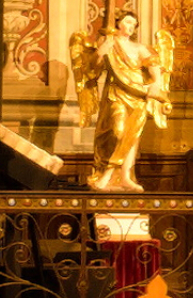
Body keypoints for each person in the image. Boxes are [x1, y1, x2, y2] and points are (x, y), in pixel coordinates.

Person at [70, 11, 173, 192]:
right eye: (127, 22)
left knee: (131, 136)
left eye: (134, 23)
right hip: (116, 94)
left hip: (138, 97)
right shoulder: (109, 43)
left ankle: (125, 177)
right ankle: (107, 174)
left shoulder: (140, 48)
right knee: (118, 131)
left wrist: (156, 84)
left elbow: (155, 69)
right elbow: (92, 69)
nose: (131, 26)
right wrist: (100, 52)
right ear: (118, 23)